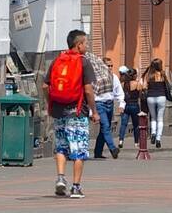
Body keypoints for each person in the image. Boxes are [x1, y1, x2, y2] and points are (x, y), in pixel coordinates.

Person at [48, 30, 98, 199]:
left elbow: (44, 86)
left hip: (59, 111)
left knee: (61, 147)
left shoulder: (57, 60)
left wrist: (49, 104)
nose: (88, 46)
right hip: (77, 112)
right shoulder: (83, 62)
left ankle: (61, 179)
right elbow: (89, 91)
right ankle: (76, 187)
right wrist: (94, 111)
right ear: (79, 45)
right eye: (86, 43)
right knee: (79, 150)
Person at [91, 55, 121, 159]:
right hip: (99, 104)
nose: (110, 67)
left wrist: (121, 104)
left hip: (110, 103)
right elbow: (91, 94)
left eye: (112, 65)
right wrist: (92, 112)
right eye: (108, 65)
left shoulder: (114, 77)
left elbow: (119, 92)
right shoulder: (95, 78)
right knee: (106, 127)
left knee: (104, 129)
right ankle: (113, 149)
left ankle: (98, 152)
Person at [144, 59, 171, 148]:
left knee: (153, 117)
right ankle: (158, 139)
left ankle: (153, 133)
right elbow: (168, 85)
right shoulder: (162, 74)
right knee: (160, 119)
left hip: (150, 97)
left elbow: (144, 86)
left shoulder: (149, 75)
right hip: (161, 97)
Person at [117, 66, 144, 152]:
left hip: (126, 105)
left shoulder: (123, 84)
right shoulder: (137, 83)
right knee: (136, 125)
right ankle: (136, 142)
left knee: (123, 124)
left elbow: (121, 94)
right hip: (135, 105)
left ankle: (121, 141)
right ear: (135, 75)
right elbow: (140, 94)